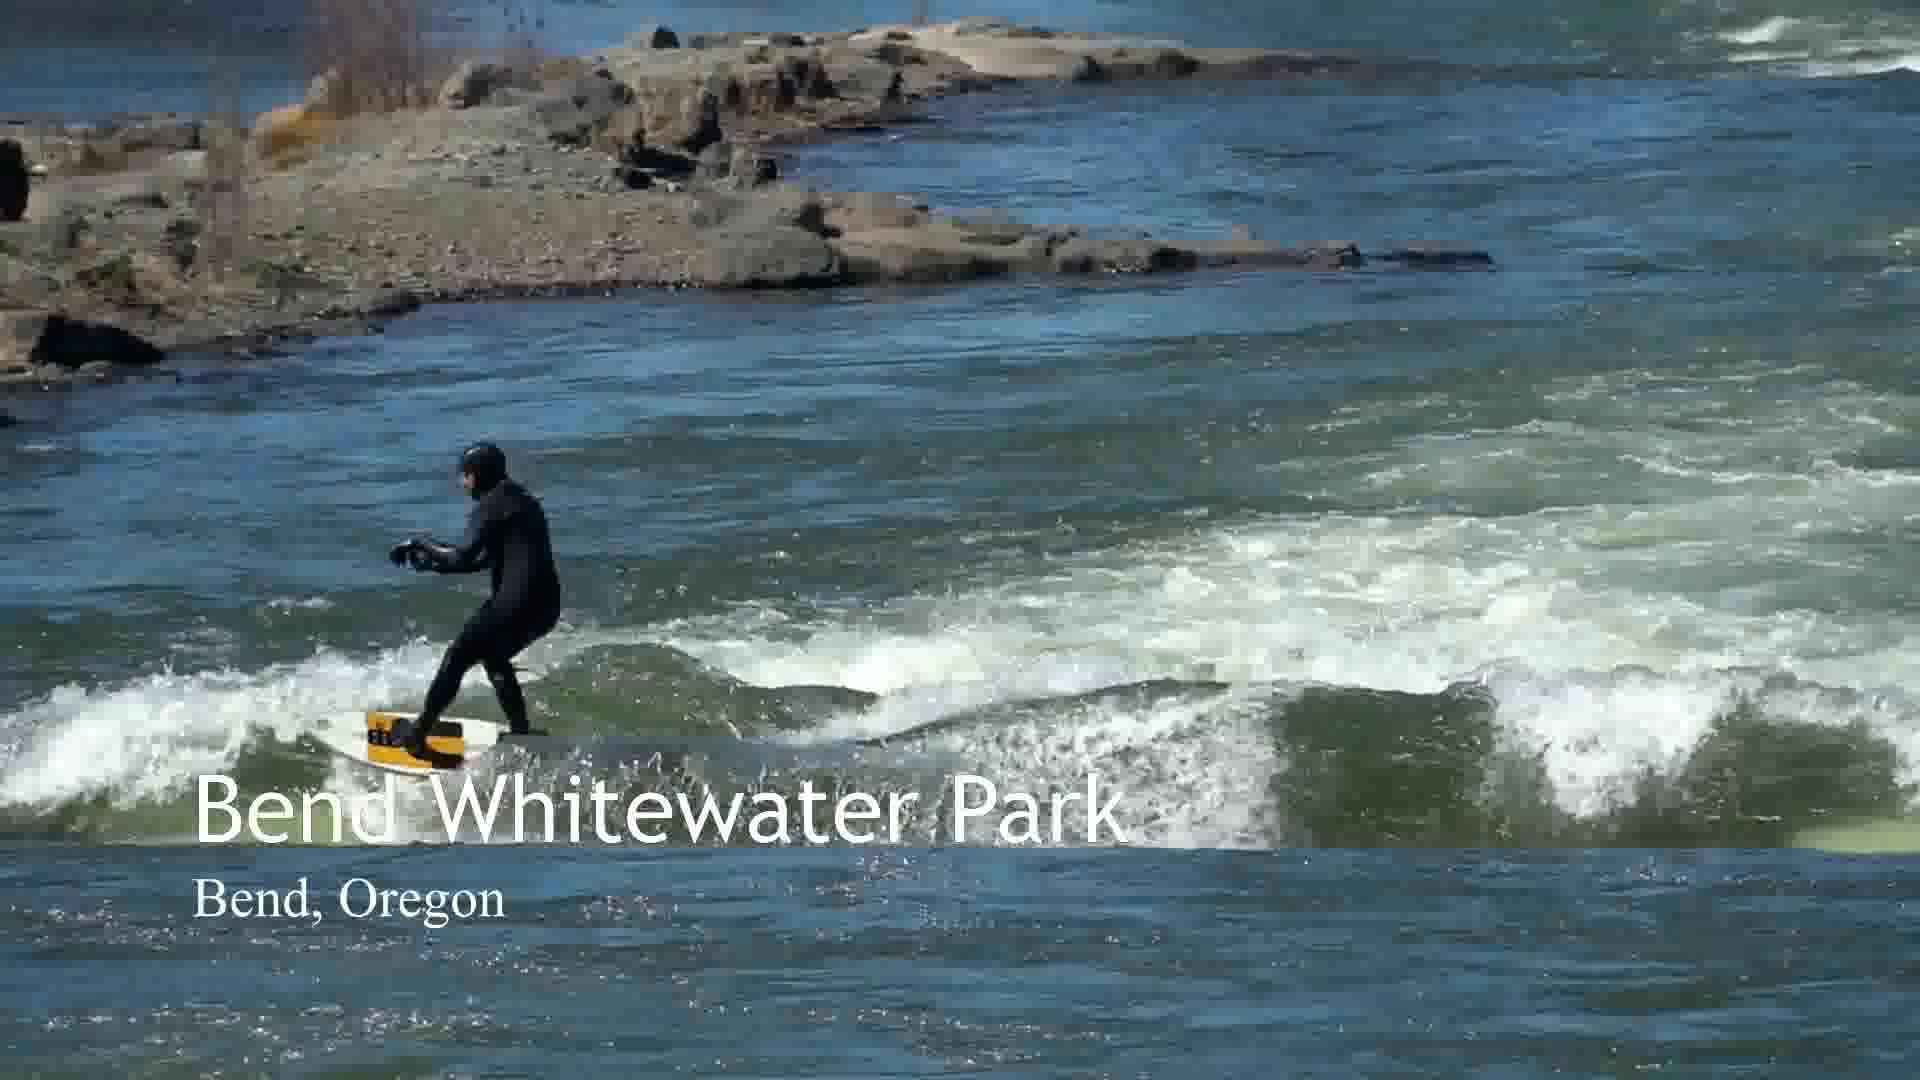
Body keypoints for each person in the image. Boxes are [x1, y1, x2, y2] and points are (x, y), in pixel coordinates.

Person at [388, 441, 561, 756]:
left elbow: (461, 554)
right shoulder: (522, 501)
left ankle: (418, 735)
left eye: (465, 476)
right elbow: (484, 560)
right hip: (545, 606)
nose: (462, 483)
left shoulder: (491, 504)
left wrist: (419, 542)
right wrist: (434, 566)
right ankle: (522, 733)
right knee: (494, 657)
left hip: (514, 604)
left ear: (478, 475)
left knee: (457, 657)